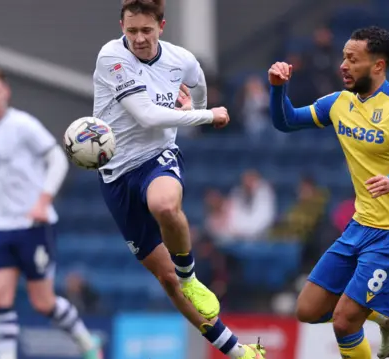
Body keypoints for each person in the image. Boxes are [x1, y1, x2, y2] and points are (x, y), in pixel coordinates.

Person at [92, 1, 265, 358]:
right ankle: (238, 352)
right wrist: (204, 115)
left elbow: (197, 86)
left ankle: (191, 276)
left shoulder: (181, 60)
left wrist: (192, 108)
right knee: (167, 280)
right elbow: (146, 115)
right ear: (121, 25)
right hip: (115, 176)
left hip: (157, 158)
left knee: (164, 205)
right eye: (131, 30)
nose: (138, 38)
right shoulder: (111, 56)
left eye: (146, 30)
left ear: (162, 26)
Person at [268, 26, 389, 359]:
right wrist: (278, 89)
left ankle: (381, 315)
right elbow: (286, 121)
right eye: (343, 57)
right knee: (306, 310)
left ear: (378, 65)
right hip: (359, 227)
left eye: (353, 59)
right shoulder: (339, 103)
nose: (343, 65)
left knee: (344, 322)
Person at [0, 67, 102, 359]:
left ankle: (86, 343)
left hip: (34, 225)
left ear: (6, 93)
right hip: (1, 226)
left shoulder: (23, 125)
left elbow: (57, 159)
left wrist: (43, 201)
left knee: (43, 302)